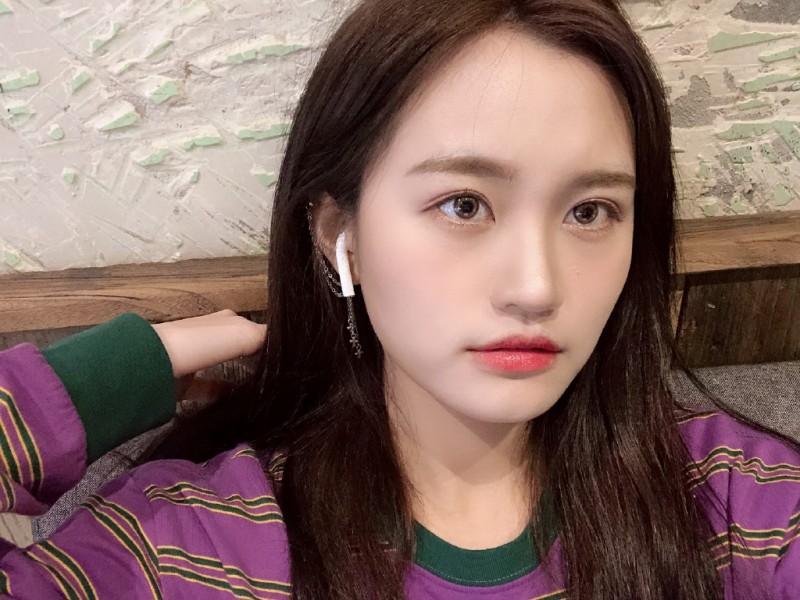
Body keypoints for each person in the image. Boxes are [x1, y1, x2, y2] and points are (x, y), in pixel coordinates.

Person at [0, 0, 798, 598]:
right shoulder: (197, 550)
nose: (536, 287)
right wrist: (97, 381)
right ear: (339, 232)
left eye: (589, 212)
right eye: (464, 204)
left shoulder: (733, 501)